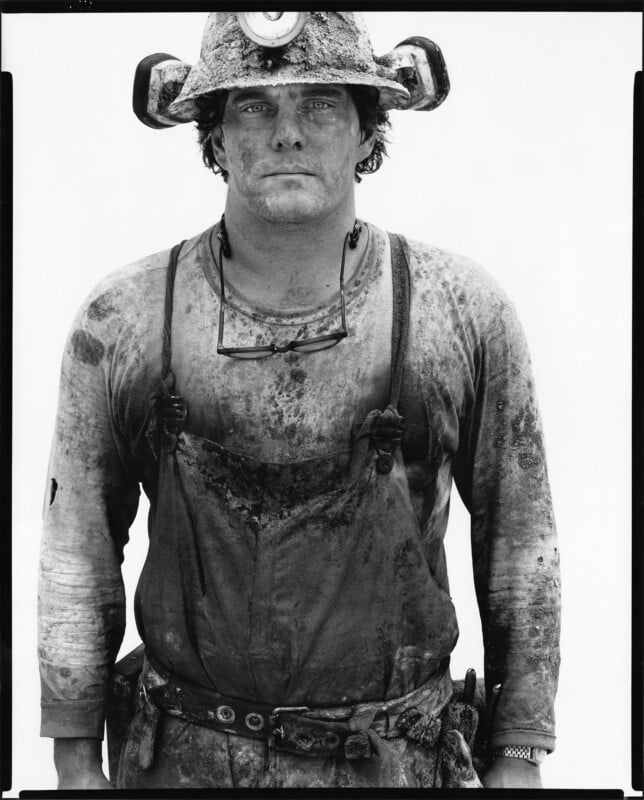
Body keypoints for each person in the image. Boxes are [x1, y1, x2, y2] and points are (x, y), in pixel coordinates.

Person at [39, 11, 560, 790]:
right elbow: (77, 548)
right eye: (252, 106)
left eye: (321, 103)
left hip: (398, 766)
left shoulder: (460, 312)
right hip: (181, 764)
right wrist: (75, 763)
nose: (288, 132)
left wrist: (518, 757)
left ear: (366, 130)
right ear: (213, 135)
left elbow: (520, 543)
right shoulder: (125, 320)